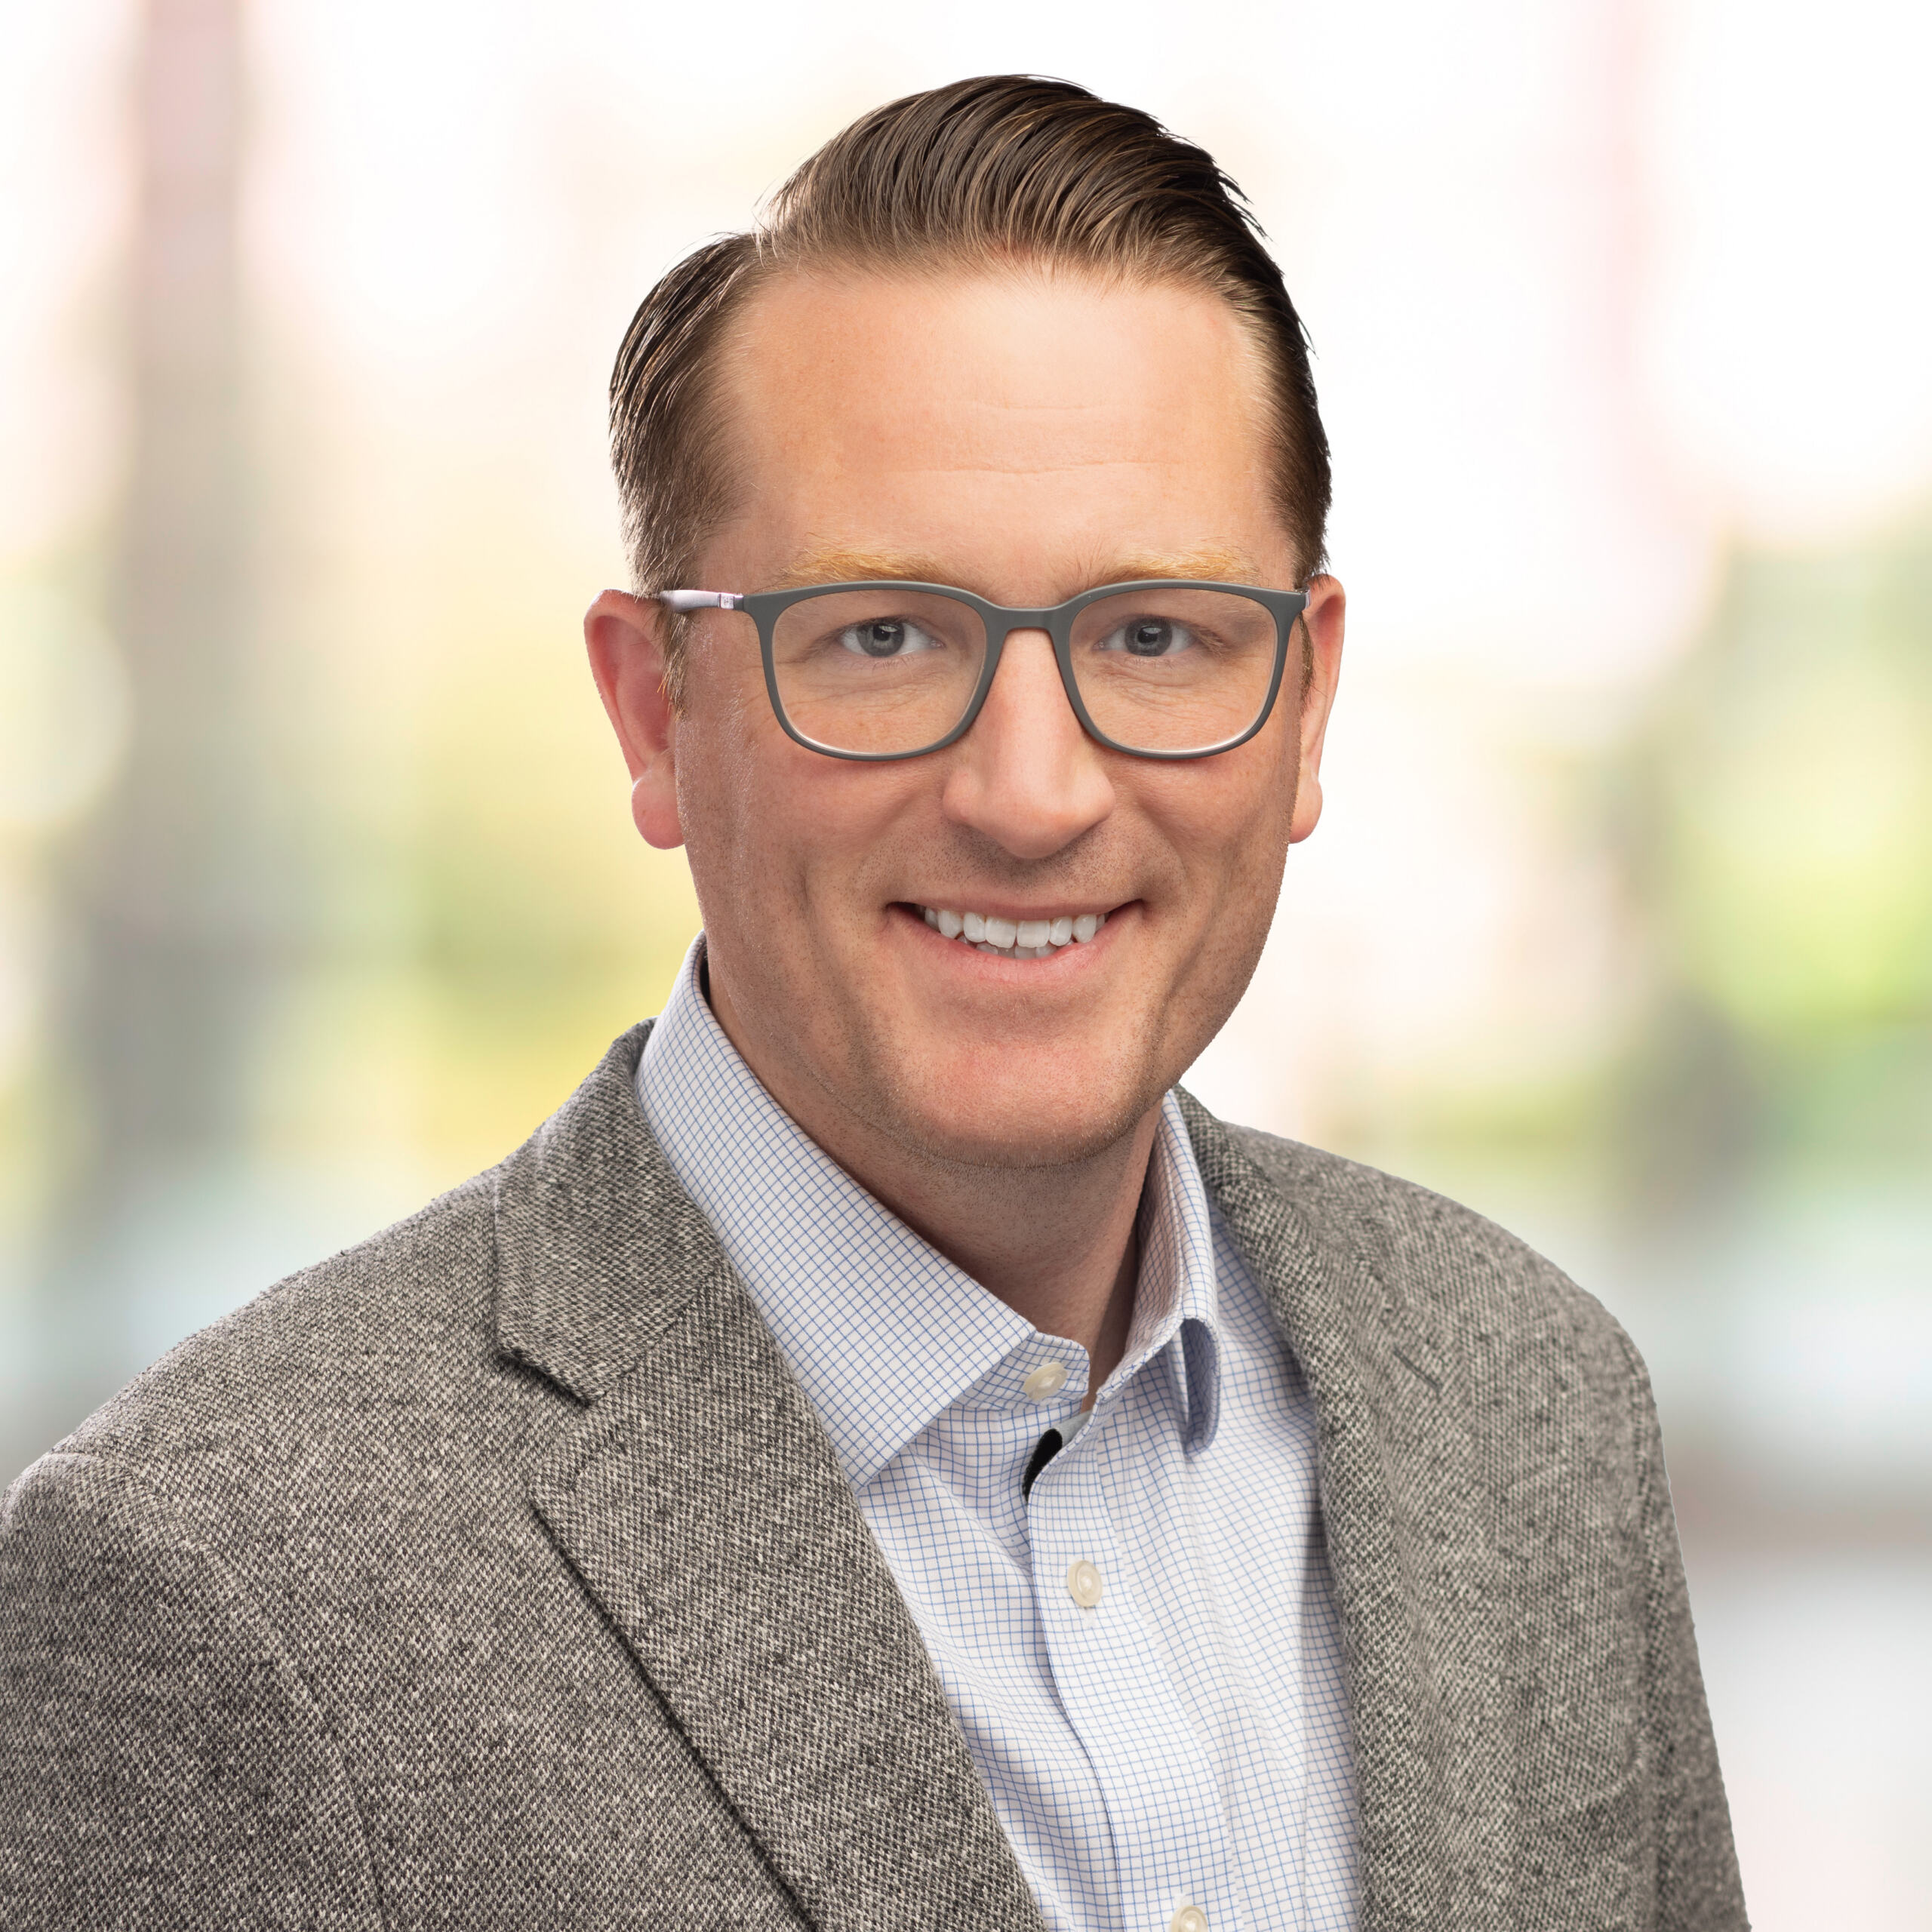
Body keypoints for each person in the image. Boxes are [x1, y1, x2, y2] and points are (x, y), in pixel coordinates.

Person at [0, 75, 1745, 1932]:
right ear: (654, 712)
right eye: (883, 636)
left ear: (1302, 702)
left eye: (1152, 635)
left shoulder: (1530, 1404)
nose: (1028, 792)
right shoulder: (221, 1588)